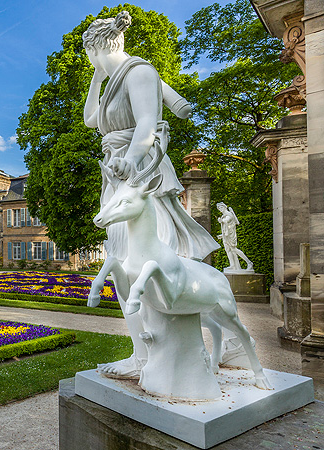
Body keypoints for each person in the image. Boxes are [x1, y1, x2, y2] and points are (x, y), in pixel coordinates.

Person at [82, 11, 220, 378]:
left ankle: (170, 358)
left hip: (141, 173)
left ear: (94, 47)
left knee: (151, 258)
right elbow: (90, 120)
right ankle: (141, 354)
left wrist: (130, 161)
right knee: (121, 263)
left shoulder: (140, 73)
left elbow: (146, 123)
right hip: (118, 173)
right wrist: (98, 72)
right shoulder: (114, 78)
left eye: (90, 55)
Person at [217, 202, 253, 272]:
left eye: (221, 207)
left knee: (234, 249)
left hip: (230, 235)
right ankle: (233, 265)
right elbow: (226, 227)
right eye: (219, 208)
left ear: (225, 207)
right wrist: (222, 235)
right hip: (226, 235)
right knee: (228, 250)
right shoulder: (223, 215)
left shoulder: (229, 214)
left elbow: (227, 220)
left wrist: (222, 221)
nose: (220, 209)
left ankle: (249, 263)